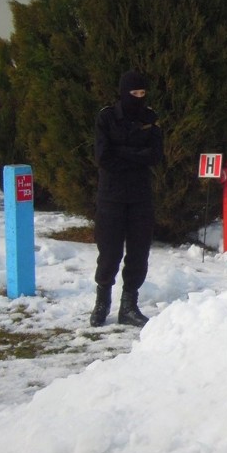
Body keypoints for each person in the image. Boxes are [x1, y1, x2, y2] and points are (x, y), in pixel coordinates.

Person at [91, 70, 164, 327]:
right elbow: (104, 158)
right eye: (134, 94)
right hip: (111, 196)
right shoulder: (107, 117)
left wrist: (123, 153)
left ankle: (129, 305)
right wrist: (136, 155)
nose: (139, 98)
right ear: (123, 93)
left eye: (143, 93)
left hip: (140, 196)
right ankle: (102, 301)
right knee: (109, 252)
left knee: (138, 252)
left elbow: (155, 155)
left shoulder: (150, 117)